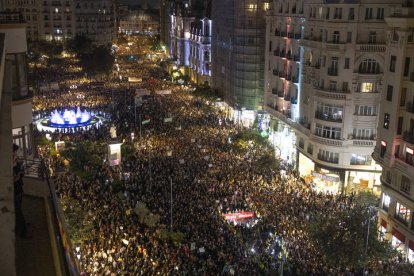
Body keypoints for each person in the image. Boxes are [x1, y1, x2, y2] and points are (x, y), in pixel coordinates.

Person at [13, 144, 29, 238]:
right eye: (17, 151)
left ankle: (18, 227)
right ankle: (21, 232)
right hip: (14, 190)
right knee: (18, 212)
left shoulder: (15, 162)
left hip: (18, 188)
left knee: (19, 208)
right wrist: (18, 176)